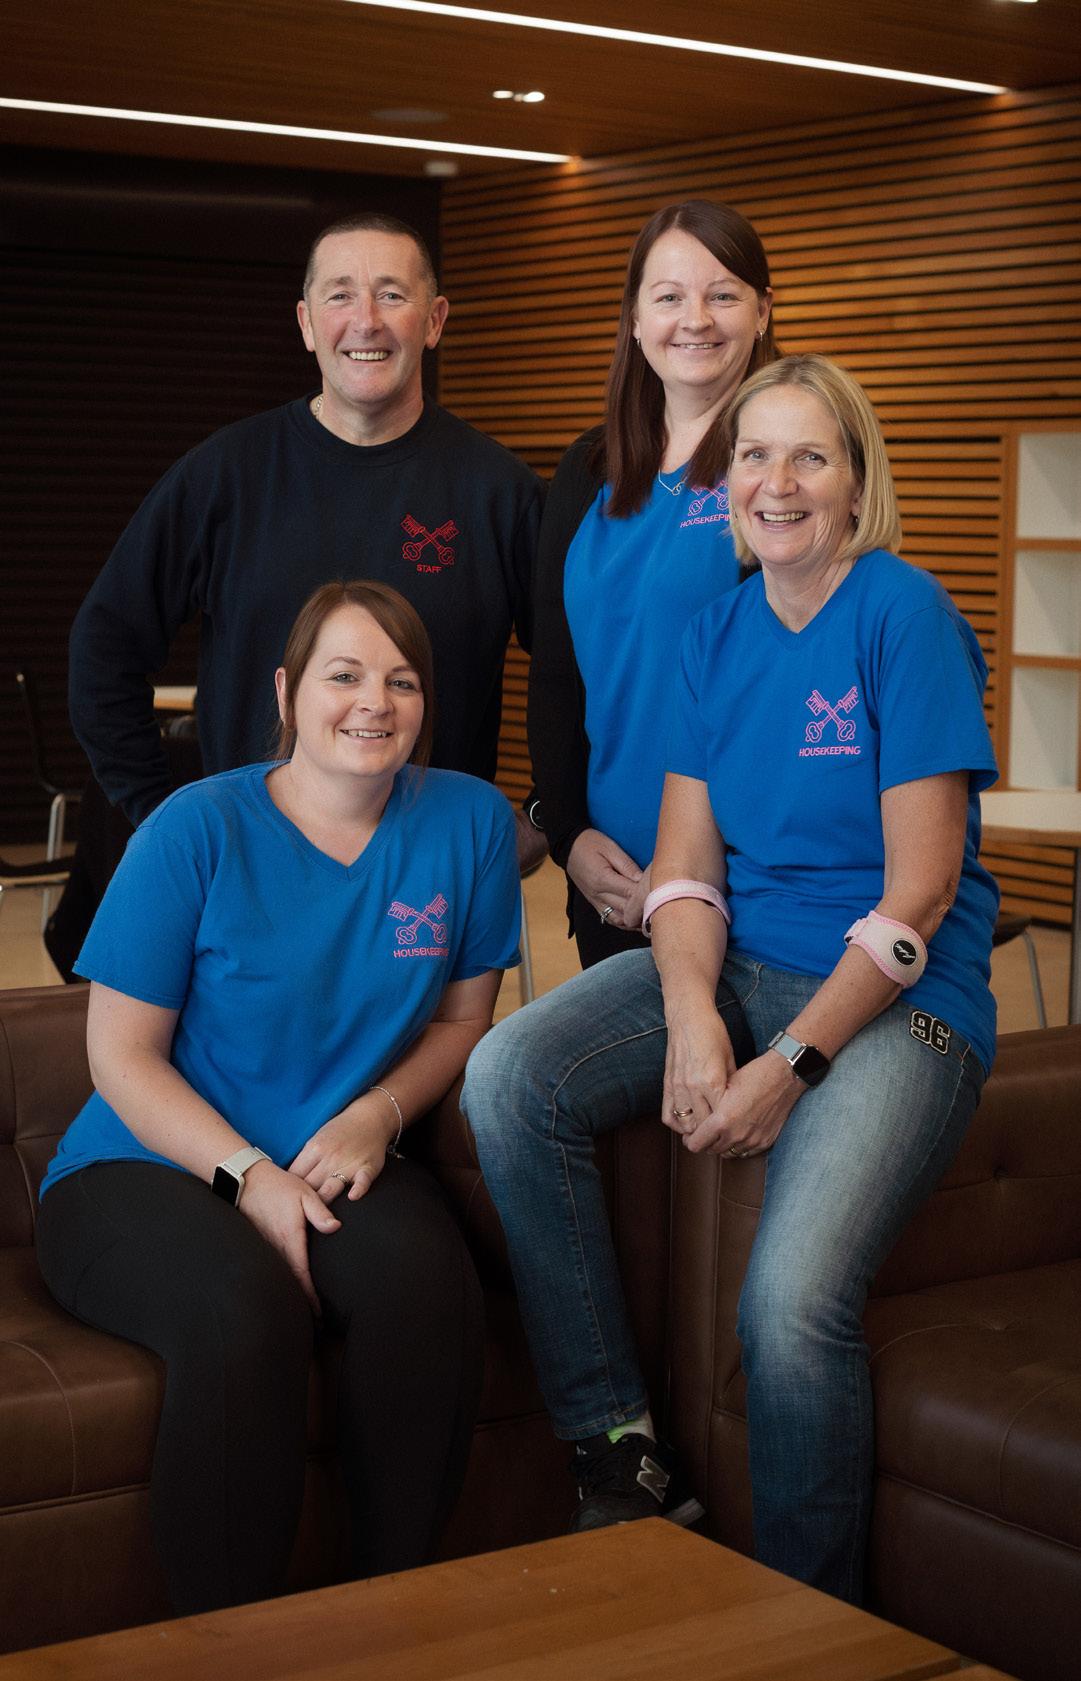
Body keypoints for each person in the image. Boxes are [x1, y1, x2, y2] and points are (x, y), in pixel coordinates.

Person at [461, 355, 999, 1604]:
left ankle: (811, 1622)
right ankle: (619, 1449)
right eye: (753, 456)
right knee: (510, 1075)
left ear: (856, 481)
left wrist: (790, 1062)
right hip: (741, 960)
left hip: (901, 1002)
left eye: (809, 456)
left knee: (788, 1306)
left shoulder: (904, 613)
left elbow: (919, 896)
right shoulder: (714, 632)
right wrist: (693, 1014)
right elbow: (687, 874)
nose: (776, 482)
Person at [37, 580, 522, 1615]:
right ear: (286, 692)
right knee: (241, 1315)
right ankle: (234, 1645)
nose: (374, 701)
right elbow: (120, 1055)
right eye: (343, 675)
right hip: (146, 1163)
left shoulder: (471, 822)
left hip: (335, 1148)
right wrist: (248, 1176)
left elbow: (459, 1022)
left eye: (401, 680)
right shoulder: (195, 827)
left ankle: (384, 1616)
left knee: (426, 1291)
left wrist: (378, 1115)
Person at [50, 212, 543, 975]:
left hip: (424, 888)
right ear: (308, 323)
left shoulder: (498, 492)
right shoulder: (225, 475)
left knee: (434, 1055)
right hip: (250, 878)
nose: (365, 321)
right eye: (340, 296)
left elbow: (583, 671)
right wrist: (164, 815)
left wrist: (547, 812)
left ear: (434, 320)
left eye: (391, 294)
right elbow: (103, 647)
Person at [527, 200, 776, 967]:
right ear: (634, 319)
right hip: (609, 874)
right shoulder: (587, 469)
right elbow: (556, 671)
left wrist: (690, 869)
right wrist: (568, 833)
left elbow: (786, 684)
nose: (694, 319)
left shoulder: (779, 470)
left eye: (722, 294)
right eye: (668, 296)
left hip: (744, 878)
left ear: (763, 311)